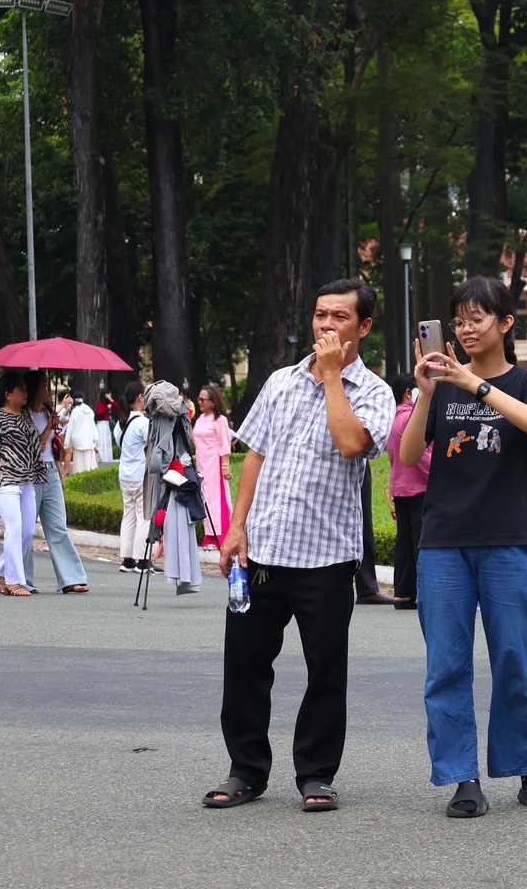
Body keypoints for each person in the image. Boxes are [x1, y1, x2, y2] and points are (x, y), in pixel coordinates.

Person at [204, 279, 395, 813]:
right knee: (244, 667)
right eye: (319, 315)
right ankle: (246, 770)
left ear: (364, 327)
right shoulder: (281, 382)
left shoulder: (374, 392)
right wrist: (235, 526)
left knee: (325, 672)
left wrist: (334, 377)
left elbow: (353, 444)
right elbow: (255, 456)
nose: (326, 326)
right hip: (262, 550)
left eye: (338, 317)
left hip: (327, 559)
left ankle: (315, 774)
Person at [402, 274, 527, 819]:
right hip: (444, 541)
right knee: (446, 663)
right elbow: (406, 455)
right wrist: (428, 394)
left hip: (507, 538)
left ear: (506, 322)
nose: (466, 328)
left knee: (515, 658)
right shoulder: (441, 382)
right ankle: (461, 776)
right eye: (459, 319)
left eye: (477, 318)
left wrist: (474, 384)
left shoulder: (526, 381)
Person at [0, 375, 44, 592]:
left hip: (26, 479)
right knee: (14, 528)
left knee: (26, 531)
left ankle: (0, 570)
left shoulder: (25, 417)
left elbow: (36, 446)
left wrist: (50, 428)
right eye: (21, 389)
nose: (26, 393)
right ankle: (14, 581)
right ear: (8, 394)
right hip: (3, 479)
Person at [24, 373, 90, 594]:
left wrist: (60, 475)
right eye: (43, 385)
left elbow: (53, 449)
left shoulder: (46, 412)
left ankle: (71, 578)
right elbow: (35, 446)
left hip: (51, 472)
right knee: (25, 530)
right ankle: (21, 579)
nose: (47, 389)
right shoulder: (24, 415)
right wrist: (48, 428)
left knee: (58, 527)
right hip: (30, 474)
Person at [386, 372, 429, 609]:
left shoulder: (391, 418)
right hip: (420, 486)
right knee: (421, 541)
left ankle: (402, 593)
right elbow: (422, 456)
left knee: (403, 542)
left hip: (400, 486)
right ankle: (423, 592)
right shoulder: (411, 418)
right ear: (409, 393)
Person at [192, 385, 235, 547]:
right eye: (199, 399)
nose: (200, 402)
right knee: (205, 499)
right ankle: (208, 534)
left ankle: (220, 535)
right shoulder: (200, 419)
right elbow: (196, 440)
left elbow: (225, 444)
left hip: (215, 465)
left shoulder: (220, 420)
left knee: (216, 499)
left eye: (203, 399)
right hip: (202, 464)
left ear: (213, 402)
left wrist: (225, 466)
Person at [115, 383, 151, 572]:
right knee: (143, 516)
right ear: (140, 397)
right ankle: (142, 560)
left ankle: (127, 559)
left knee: (128, 515)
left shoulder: (121, 423)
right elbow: (151, 444)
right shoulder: (143, 423)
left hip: (125, 475)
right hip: (139, 474)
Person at [63, 390, 100, 474]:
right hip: (88, 439)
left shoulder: (75, 411)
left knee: (79, 463)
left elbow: (71, 427)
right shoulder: (89, 410)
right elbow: (92, 424)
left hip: (78, 440)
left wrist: (68, 442)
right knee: (89, 463)